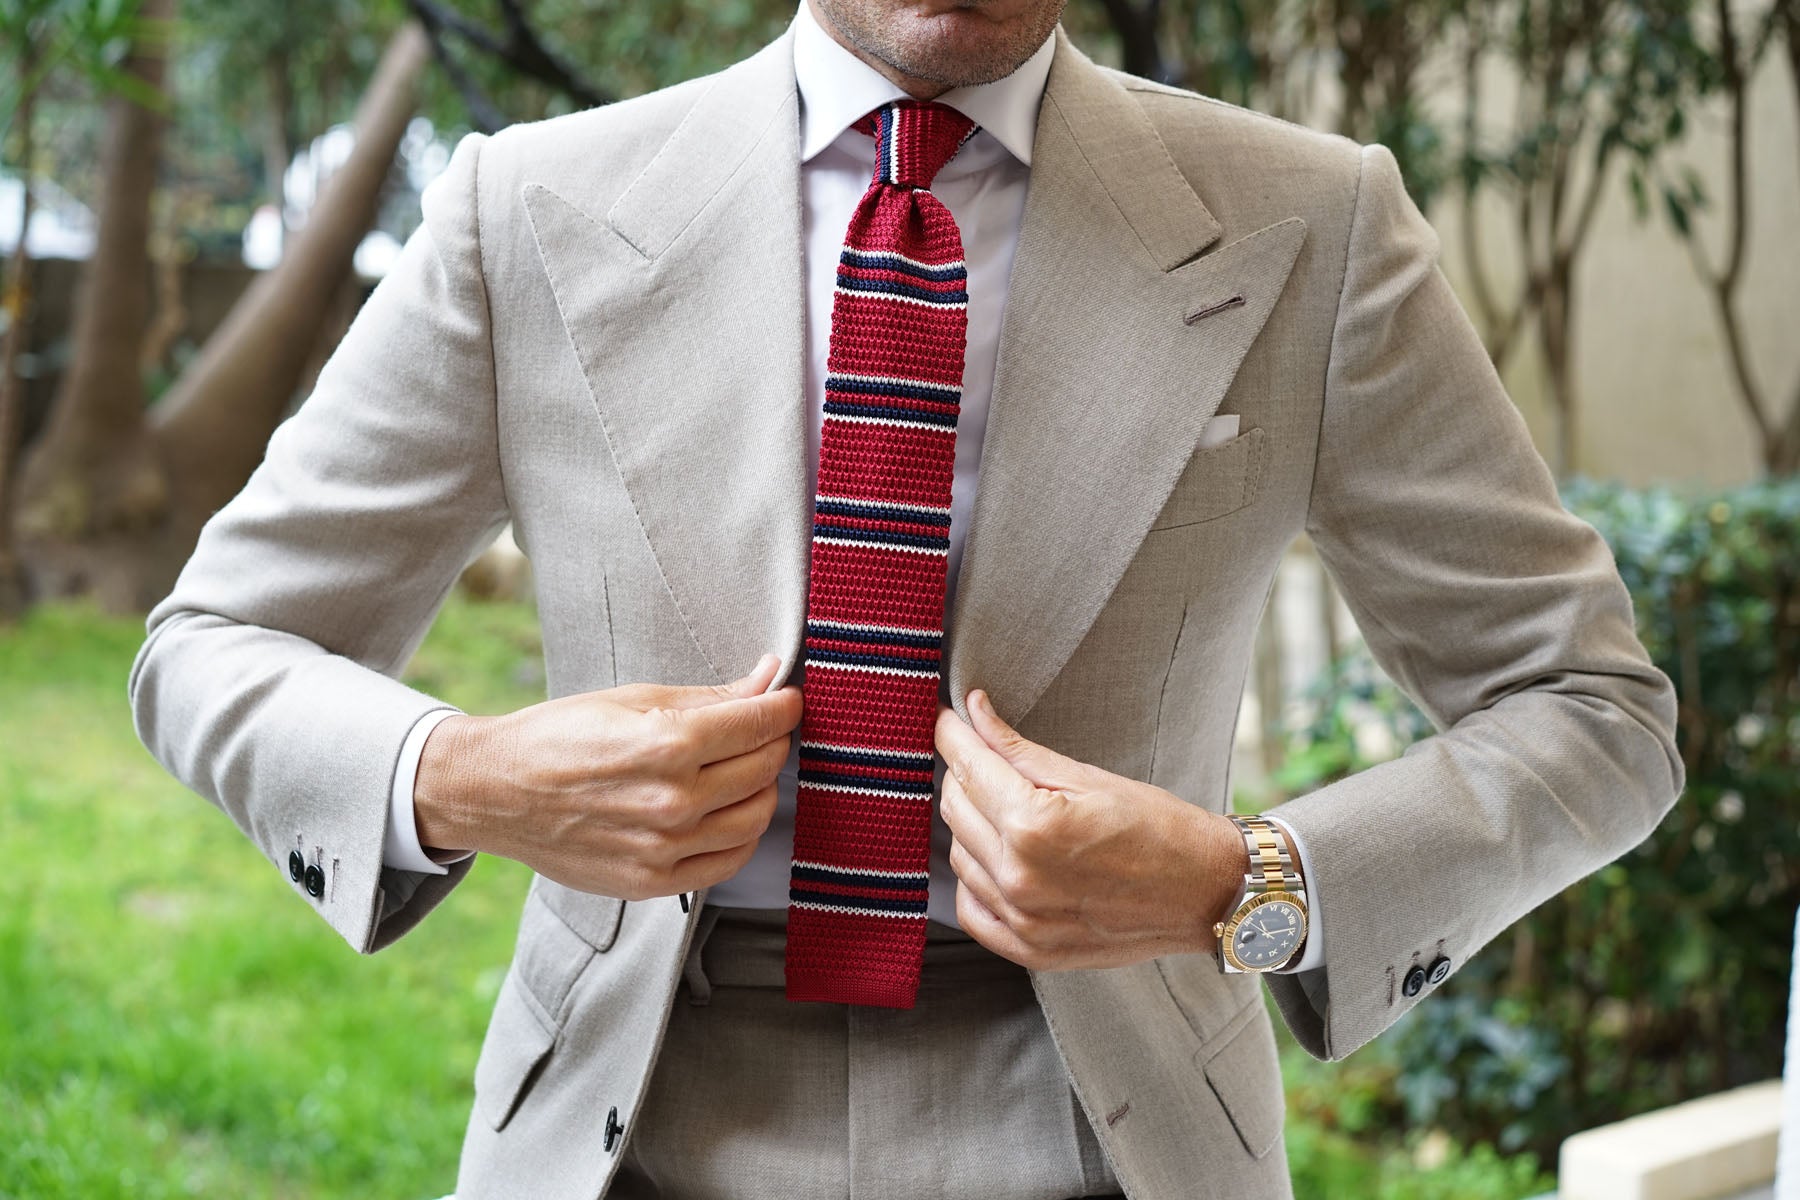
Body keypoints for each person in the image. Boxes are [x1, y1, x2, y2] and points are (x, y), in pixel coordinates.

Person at [127, 0, 1687, 1196]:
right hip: (632, 1128)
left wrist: (1247, 885)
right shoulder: (522, 210)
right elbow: (212, 647)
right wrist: (462, 776)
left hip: (1111, 1136)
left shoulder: (1318, 226)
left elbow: (1598, 716)